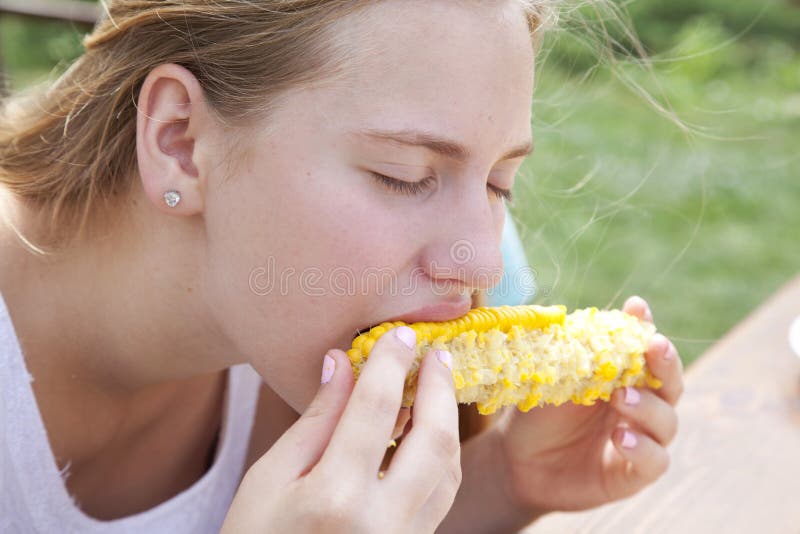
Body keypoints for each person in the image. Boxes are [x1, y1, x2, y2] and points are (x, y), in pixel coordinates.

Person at [0, 1, 684, 532]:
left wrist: (502, 479)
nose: (481, 262)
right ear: (179, 141)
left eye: (499, 184)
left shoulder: (277, 338)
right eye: (404, 175)